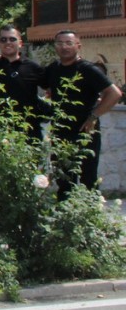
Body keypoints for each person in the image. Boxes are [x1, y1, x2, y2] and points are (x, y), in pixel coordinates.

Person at [44, 29, 122, 194]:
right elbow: (45, 86)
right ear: (55, 46)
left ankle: (90, 217)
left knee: (88, 179)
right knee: (64, 179)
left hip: (86, 132)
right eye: (60, 43)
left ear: (78, 45)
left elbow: (114, 93)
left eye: (69, 43)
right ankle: (64, 217)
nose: (64, 47)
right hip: (61, 131)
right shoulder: (53, 69)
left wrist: (94, 115)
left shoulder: (88, 69)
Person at [0, 24, 48, 140]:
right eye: (3, 39)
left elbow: (50, 88)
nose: (8, 42)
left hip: (28, 129)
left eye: (12, 39)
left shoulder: (32, 67)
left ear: (20, 43)